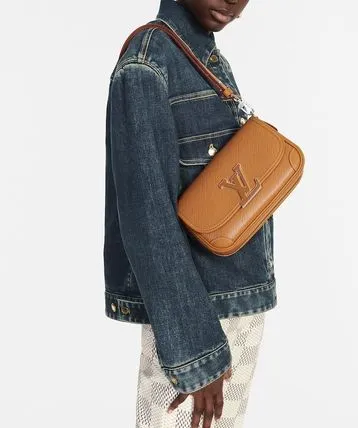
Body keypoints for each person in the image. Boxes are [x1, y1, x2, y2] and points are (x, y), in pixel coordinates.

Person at [104, 1, 276, 427]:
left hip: (232, 305)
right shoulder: (147, 66)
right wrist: (197, 355)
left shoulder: (198, 55)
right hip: (199, 320)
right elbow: (148, 222)